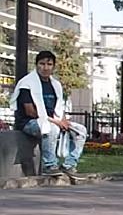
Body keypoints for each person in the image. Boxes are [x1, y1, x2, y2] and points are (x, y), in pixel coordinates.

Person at [9, 50, 86, 178]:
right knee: (51, 128)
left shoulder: (56, 85)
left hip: (53, 120)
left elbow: (59, 107)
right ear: (36, 65)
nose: (45, 68)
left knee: (80, 130)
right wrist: (56, 122)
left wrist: (63, 121)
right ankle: (49, 166)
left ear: (53, 67)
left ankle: (69, 165)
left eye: (49, 64)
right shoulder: (27, 83)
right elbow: (30, 112)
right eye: (42, 64)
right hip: (29, 123)